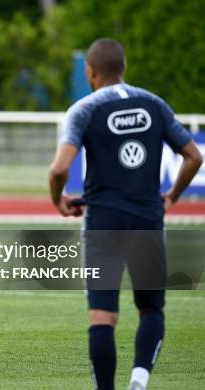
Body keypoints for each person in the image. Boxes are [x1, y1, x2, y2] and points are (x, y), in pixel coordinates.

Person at [48, 38, 202, 390]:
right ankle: (139, 381)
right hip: (148, 220)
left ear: (90, 71)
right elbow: (194, 156)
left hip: (102, 222)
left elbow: (59, 170)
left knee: (102, 315)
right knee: (151, 309)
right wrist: (172, 197)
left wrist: (58, 201)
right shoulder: (154, 104)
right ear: (124, 69)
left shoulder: (84, 109)